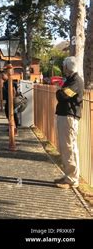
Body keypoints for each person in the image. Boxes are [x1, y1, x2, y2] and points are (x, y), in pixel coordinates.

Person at [54, 56, 83, 189]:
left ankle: (71, 178)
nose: (63, 68)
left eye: (64, 66)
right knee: (67, 147)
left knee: (69, 147)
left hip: (68, 117)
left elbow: (62, 96)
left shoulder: (75, 81)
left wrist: (59, 90)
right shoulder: (72, 80)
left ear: (68, 67)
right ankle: (69, 175)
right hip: (65, 116)